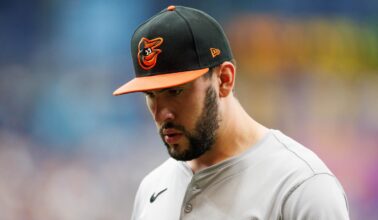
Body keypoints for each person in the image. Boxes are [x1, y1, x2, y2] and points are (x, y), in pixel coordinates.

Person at [113, 5, 350, 220]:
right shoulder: (152, 186)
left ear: (224, 80)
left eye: (175, 92)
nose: (161, 114)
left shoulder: (301, 187)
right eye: (150, 95)